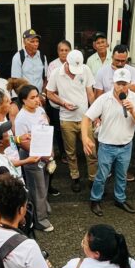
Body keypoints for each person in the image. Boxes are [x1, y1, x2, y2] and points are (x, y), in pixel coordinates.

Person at [83, 67, 135, 216]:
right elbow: (86, 118)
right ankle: (95, 199)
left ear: (129, 84)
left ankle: (120, 199)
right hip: (106, 146)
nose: (121, 87)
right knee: (101, 176)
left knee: (121, 175)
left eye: (124, 84)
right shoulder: (104, 98)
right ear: (113, 83)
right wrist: (85, 137)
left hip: (126, 146)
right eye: (118, 83)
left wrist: (132, 111)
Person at [45, 49, 96, 192]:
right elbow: (49, 93)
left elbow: (90, 94)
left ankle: (93, 179)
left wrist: (96, 114)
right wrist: (63, 103)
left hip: (85, 118)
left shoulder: (85, 70)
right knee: (70, 152)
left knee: (91, 150)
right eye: (72, 69)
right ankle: (75, 178)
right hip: (66, 119)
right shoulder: (56, 73)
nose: (74, 72)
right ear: (66, 63)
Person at [14, 84, 54, 233]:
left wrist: (50, 152)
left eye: (37, 96)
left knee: (44, 183)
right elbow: (23, 142)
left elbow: (46, 129)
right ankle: (40, 220)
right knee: (37, 188)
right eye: (32, 98)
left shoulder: (40, 110)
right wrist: (42, 154)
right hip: (33, 156)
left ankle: (43, 208)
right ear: (24, 100)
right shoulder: (21, 118)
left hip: (45, 154)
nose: (37, 100)